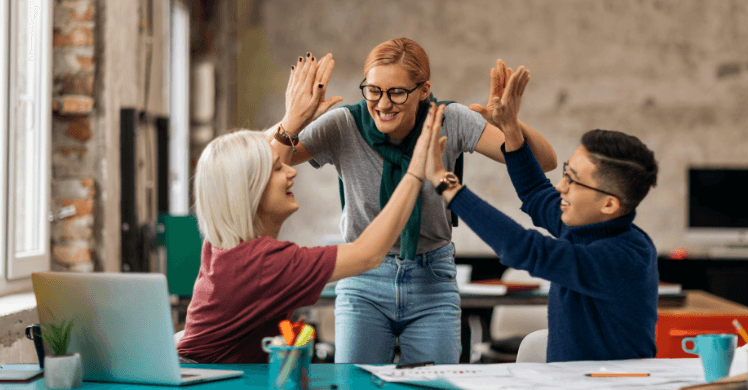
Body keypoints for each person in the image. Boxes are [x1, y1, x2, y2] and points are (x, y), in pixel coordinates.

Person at [268, 38, 557, 364]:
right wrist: (292, 119)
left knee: (436, 384)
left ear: (423, 90)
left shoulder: (451, 119)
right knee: (356, 386)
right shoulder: (345, 125)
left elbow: (544, 162)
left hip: (431, 279)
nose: (383, 103)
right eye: (374, 90)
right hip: (364, 281)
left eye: (397, 92)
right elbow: (263, 160)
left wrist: (509, 123)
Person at [176, 53, 442, 363]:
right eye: (277, 170)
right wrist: (414, 173)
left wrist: (294, 119)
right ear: (248, 189)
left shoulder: (226, 246)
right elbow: (369, 253)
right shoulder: (263, 264)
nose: (291, 171)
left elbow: (250, 168)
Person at [424, 62, 660, 362]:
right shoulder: (580, 227)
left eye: (573, 180)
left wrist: (447, 184)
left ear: (609, 204)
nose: (560, 186)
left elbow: (525, 249)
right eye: (566, 172)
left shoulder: (625, 257)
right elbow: (536, 192)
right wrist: (510, 128)